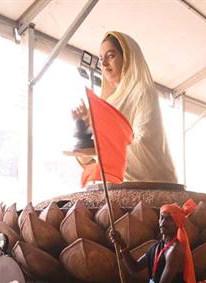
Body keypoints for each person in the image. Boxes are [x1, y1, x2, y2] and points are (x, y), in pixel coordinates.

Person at [72, 32, 177, 183]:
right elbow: (90, 162)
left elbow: (145, 145)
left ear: (127, 58)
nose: (104, 64)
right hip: (120, 189)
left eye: (110, 56)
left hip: (154, 185)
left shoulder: (142, 91)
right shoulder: (109, 102)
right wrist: (84, 131)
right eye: (101, 59)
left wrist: (101, 150)